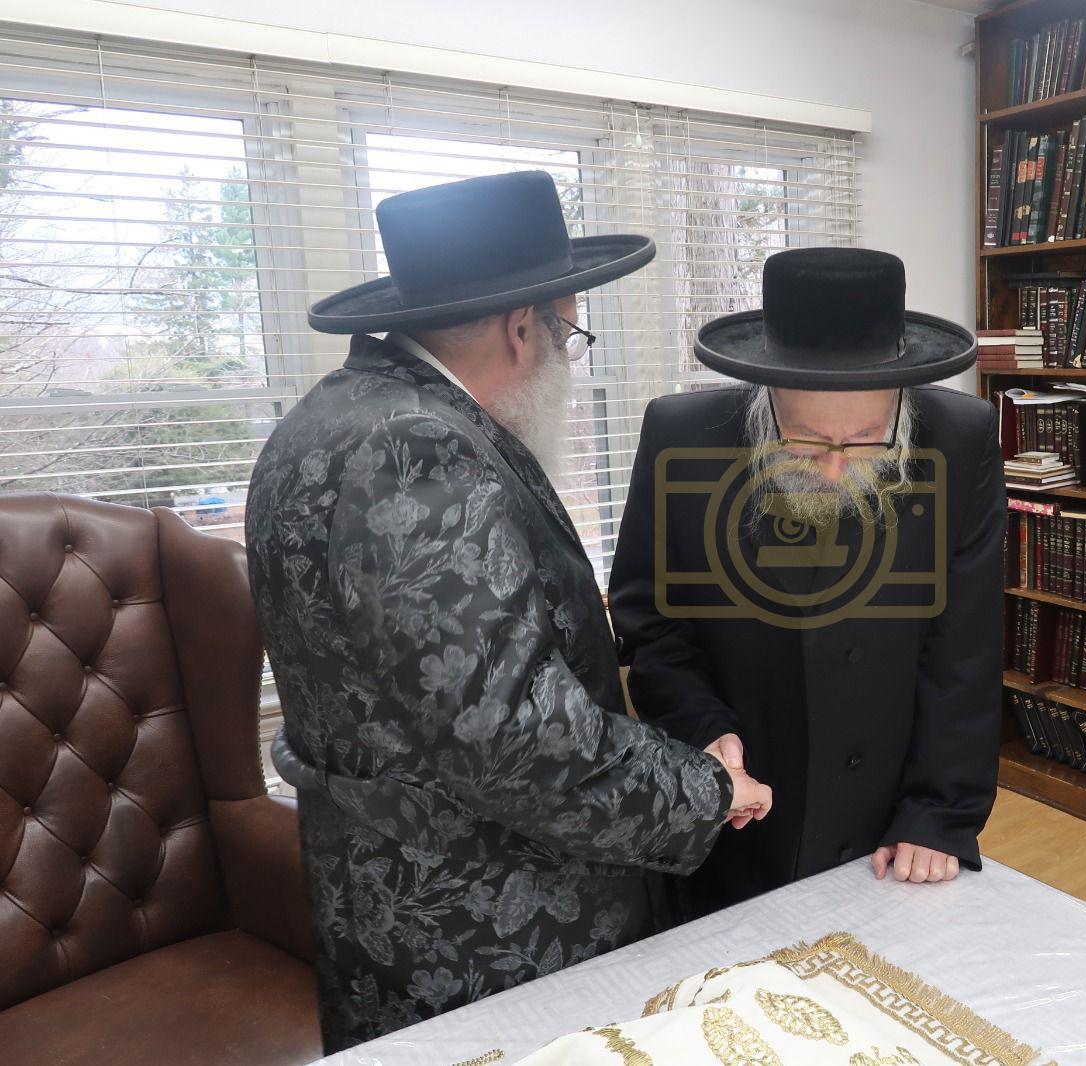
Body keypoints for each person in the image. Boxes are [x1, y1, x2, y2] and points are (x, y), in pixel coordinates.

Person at [245, 170, 771, 1052]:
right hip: (486, 933)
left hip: (389, 908)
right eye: (571, 332)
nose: (569, 358)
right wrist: (706, 791)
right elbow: (510, 734)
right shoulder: (419, 451)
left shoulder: (327, 416)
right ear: (523, 329)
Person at [608, 247, 1002, 920]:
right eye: (806, 442)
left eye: (867, 438)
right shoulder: (682, 437)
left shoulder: (961, 439)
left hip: (889, 830)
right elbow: (652, 626)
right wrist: (703, 731)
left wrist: (939, 811)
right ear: (768, 399)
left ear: (901, 403)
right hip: (737, 814)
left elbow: (964, 648)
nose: (834, 468)